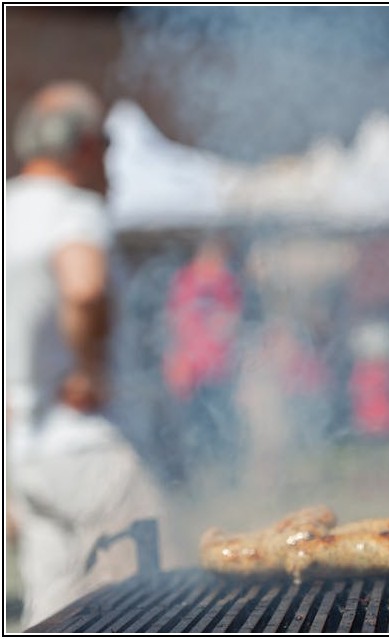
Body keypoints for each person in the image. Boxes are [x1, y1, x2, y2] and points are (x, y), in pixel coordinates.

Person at [5, 81, 167, 627]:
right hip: (89, 451)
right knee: (147, 606)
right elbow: (84, 287)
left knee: (51, 611)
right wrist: (88, 368)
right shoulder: (74, 210)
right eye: (106, 144)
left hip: (25, 456)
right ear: (83, 146)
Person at [162, 235, 244, 487]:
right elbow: (173, 322)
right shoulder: (185, 280)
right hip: (190, 371)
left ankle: (223, 479)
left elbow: (232, 320)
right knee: (188, 431)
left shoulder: (225, 282)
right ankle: (190, 480)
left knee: (221, 430)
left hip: (218, 370)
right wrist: (176, 360)